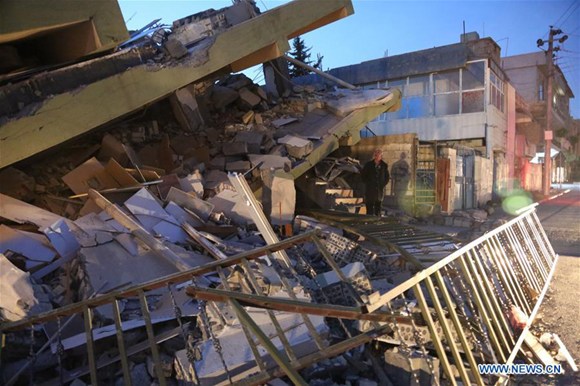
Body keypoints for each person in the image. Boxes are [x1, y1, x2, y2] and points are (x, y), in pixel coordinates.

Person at [361, 148, 390, 216]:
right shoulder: (368, 165)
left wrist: (382, 184)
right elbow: (363, 175)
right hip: (370, 189)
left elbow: (387, 177)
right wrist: (368, 183)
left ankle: (377, 220)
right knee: (369, 207)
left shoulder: (384, 165)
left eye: (378, 155)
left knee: (378, 207)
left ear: (381, 156)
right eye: (376, 154)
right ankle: (369, 220)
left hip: (379, 190)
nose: (377, 156)